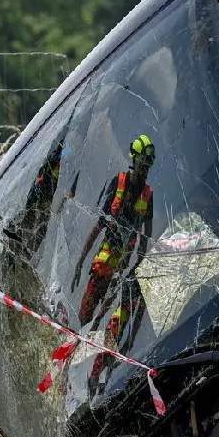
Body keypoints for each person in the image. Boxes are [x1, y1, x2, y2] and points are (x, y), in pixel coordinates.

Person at [73, 134, 157, 394]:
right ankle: (74, 354)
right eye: (141, 163)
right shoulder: (118, 183)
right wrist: (79, 262)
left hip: (126, 267)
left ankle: (100, 375)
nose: (144, 169)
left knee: (118, 320)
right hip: (105, 260)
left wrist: (137, 268)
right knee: (87, 315)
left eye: (148, 165)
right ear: (134, 160)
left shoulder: (148, 195)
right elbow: (99, 223)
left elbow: (146, 237)